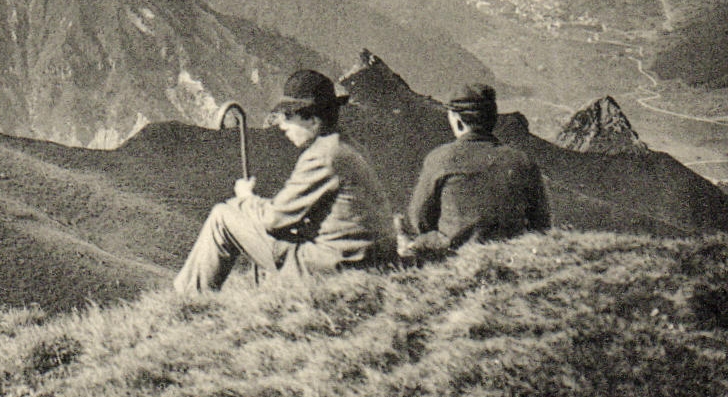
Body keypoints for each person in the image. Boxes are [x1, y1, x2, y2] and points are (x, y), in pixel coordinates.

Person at [174, 69, 396, 293]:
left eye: (289, 116)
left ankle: (188, 299)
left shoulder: (323, 156)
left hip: (334, 268)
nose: (282, 125)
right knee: (245, 215)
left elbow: (274, 219)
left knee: (222, 216)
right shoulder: (348, 146)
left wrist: (246, 199)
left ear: (313, 120)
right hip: (365, 260)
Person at [402, 84, 550, 257]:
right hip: (511, 260)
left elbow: (419, 221)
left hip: (458, 263)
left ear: (458, 121)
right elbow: (541, 224)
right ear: (492, 119)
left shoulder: (440, 159)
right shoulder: (522, 161)